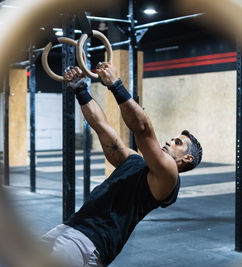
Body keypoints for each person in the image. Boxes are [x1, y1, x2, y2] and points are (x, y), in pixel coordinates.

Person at [42, 63, 203, 267]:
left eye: (178, 143)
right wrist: (80, 89)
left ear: (187, 159)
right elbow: (101, 127)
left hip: (88, 242)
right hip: (69, 228)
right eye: (172, 138)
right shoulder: (134, 160)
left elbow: (143, 130)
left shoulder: (169, 177)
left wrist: (116, 85)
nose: (170, 141)